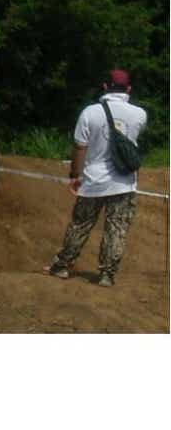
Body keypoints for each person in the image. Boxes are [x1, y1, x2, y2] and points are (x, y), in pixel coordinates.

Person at [45, 69, 147, 287]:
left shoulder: (89, 112)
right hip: (124, 183)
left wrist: (75, 175)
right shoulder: (140, 114)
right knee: (116, 229)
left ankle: (62, 266)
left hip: (93, 181)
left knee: (80, 224)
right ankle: (107, 275)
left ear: (105, 87)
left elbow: (80, 147)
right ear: (128, 89)